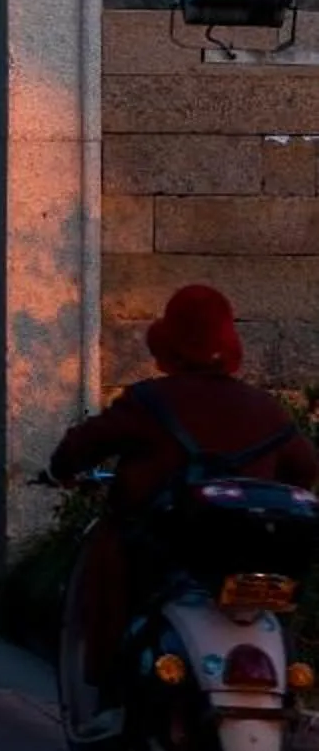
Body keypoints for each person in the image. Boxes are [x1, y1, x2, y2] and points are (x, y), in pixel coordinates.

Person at [49, 283, 319, 712]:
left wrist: (64, 470)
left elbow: (79, 449)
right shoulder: (265, 409)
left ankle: (107, 688)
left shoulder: (149, 402)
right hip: (244, 558)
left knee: (110, 557)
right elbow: (304, 470)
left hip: (163, 555)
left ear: (171, 346)